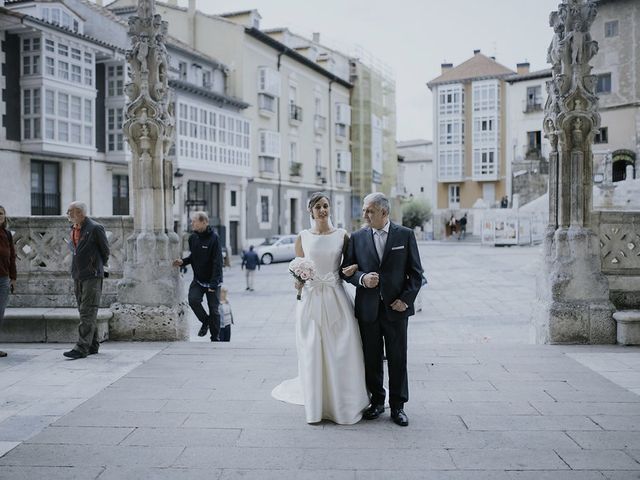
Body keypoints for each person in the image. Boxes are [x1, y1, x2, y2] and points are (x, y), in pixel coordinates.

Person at [271, 192, 369, 424]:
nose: (323, 210)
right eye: (318, 207)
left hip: (336, 296)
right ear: (311, 212)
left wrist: (352, 269)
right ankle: (317, 403)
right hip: (311, 298)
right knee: (312, 347)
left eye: (326, 206)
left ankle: (344, 401)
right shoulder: (302, 237)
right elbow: (298, 268)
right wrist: (298, 282)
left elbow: (349, 264)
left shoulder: (342, 235)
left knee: (342, 347)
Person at [342, 192, 423, 427]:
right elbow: (346, 271)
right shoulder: (356, 238)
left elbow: (417, 274)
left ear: (384, 212)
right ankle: (377, 401)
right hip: (368, 310)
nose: (364, 215)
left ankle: (398, 407)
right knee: (371, 358)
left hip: (396, 309)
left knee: (398, 359)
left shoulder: (405, 235)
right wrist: (362, 278)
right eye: (365, 210)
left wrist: (405, 299)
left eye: (369, 211)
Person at [63, 201, 110, 359]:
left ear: (81, 213)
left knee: (87, 311)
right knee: (85, 312)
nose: (68, 214)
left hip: (92, 275)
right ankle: (93, 345)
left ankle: (81, 347)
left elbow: (105, 251)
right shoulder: (73, 228)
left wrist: (95, 266)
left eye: (71, 211)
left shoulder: (95, 228)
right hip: (78, 275)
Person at [173, 211, 223, 341]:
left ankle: (215, 338)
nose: (192, 223)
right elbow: (193, 257)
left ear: (204, 222)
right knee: (193, 300)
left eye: (194, 221)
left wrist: (213, 283)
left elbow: (218, 262)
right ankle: (205, 321)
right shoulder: (192, 238)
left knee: (214, 310)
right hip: (199, 280)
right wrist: (183, 262)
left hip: (213, 281)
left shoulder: (214, 238)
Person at [0, 206, 16, 358]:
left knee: (0, 314)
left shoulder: (7, 234)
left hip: (3, 279)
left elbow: (12, 257)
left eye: (1, 213)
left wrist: (14, 277)